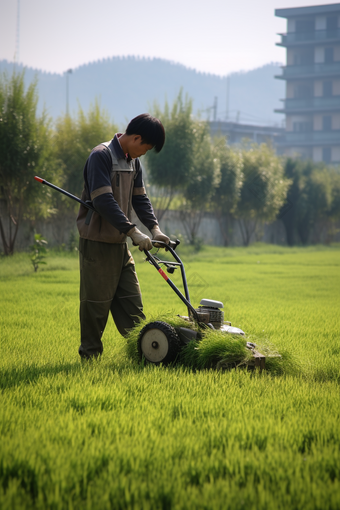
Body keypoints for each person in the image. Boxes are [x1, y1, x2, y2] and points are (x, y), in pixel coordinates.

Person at [76, 113, 170, 359]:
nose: (145, 154)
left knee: (133, 307)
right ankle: (89, 359)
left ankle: (144, 356)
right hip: (97, 244)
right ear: (136, 138)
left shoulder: (132, 162)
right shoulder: (101, 156)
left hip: (119, 246)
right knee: (95, 307)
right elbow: (103, 200)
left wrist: (155, 229)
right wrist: (133, 232)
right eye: (146, 148)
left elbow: (140, 198)